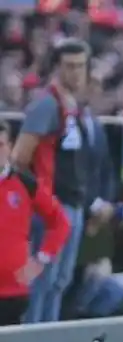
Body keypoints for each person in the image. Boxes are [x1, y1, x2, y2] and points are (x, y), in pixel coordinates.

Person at [10, 38, 101, 323]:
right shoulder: (46, 105)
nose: (75, 73)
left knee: (60, 280)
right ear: (56, 68)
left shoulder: (76, 108)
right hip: (50, 208)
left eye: (80, 66)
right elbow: (19, 158)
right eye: (69, 66)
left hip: (71, 204)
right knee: (42, 281)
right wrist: (39, 201)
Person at [0, 121, 70, 325]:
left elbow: (60, 222)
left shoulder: (25, 183)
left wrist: (41, 259)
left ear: (10, 146)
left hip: (14, 291)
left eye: (1, 144)